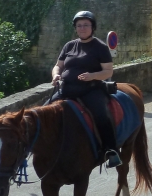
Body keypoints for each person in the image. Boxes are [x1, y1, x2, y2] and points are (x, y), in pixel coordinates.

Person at [51, 11, 121, 168]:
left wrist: (93, 75)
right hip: (67, 89)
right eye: (79, 25)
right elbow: (59, 65)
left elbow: (108, 71)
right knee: (43, 111)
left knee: (101, 115)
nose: (82, 28)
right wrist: (56, 75)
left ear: (93, 27)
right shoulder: (69, 45)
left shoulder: (100, 47)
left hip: (91, 89)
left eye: (86, 25)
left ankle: (111, 150)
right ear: (75, 28)